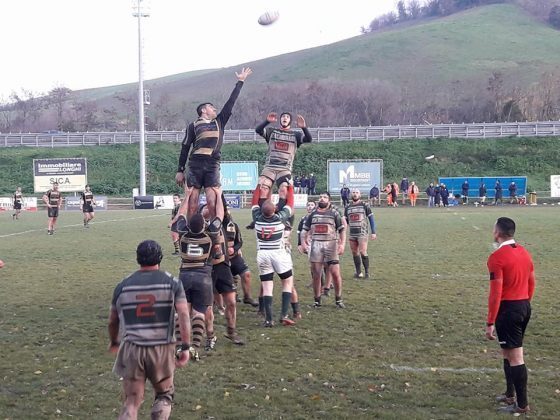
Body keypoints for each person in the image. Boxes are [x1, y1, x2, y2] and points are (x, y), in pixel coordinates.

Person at [108, 240, 191, 420]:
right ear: (160, 258)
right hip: (161, 348)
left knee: (131, 402)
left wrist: (114, 341)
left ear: (138, 259)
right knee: (164, 395)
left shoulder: (122, 285)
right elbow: (184, 315)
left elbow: (112, 320)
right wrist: (185, 347)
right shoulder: (172, 283)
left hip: (132, 349)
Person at [175, 67, 252, 227]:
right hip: (195, 165)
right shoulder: (193, 126)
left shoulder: (219, 122)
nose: (215, 109)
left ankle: (216, 232)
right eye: (211, 107)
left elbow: (231, 103)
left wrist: (240, 82)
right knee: (193, 202)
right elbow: (185, 148)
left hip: (212, 165)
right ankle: (192, 231)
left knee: (212, 201)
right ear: (203, 110)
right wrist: (180, 170)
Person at [485, 217, 535, 415]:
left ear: (497, 233)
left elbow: (496, 293)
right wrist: (524, 304)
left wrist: (490, 321)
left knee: (515, 357)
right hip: (523, 306)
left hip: (508, 310)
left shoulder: (496, 258)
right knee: (507, 353)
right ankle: (509, 394)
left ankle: (522, 405)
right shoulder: (525, 252)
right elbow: (532, 282)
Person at [251, 183, 296, 327]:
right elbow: (290, 204)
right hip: (278, 253)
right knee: (287, 282)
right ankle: (284, 315)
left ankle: (269, 319)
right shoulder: (280, 218)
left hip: (263, 254)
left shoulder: (257, 218)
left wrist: (258, 187)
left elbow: (253, 203)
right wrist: (290, 189)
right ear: (275, 210)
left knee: (267, 286)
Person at [254, 111, 312, 209]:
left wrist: (304, 128)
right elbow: (258, 130)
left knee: (284, 189)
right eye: (283, 116)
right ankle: (263, 213)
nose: (285, 118)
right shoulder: (272, 131)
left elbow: (309, 139)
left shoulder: (296, 135)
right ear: (280, 120)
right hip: (270, 167)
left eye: (287, 117)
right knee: (263, 187)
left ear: (290, 121)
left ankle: (279, 213)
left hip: (284, 168)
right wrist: (266, 121)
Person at [301, 192, 346, 309]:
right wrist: (303, 242)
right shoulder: (312, 214)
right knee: (316, 274)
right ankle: (317, 300)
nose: (322, 198)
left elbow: (342, 230)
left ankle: (338, 299)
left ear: (329, 201)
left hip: (331, 245)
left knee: (335, 273)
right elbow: (304, 230)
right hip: (316, 245)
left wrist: (342, 244)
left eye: (325, 197)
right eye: (320, 197)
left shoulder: (334, 213)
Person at [224, 209, 258, 307]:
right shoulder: (214, 227)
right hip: (221, 260)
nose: (227, 215)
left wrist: (234, 249)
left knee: (246, 274)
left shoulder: (233, 226)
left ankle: (247, 297)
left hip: (234, 257)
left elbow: (239, 242)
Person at [344, 189, 376, 279]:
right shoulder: (347, 207)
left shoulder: (364, 205)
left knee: (363, 252)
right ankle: (358, 272)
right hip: (352, 233)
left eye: (357, 192)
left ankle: (367, 272)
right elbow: (345, 221)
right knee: (354, 253)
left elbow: (371, 218)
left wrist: (373, 232)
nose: (355, 194)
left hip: (362, 233)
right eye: (353, 193)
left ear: (360, 194)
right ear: (351, 194)